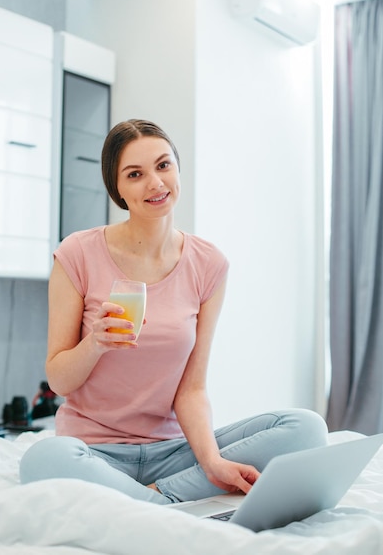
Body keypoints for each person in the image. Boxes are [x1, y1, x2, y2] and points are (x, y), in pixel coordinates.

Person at [20, 119, 328, 505]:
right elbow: (59, 380)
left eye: (163, 165)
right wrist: (95, 343)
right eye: (135, 174)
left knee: (305, 428)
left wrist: (211, 461)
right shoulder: (77, 254)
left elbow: (192, 388)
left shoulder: (208, 263)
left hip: (173, 454)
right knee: (43, 459)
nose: (155, 183)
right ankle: (168, 504)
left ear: (177, 169)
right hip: (93, 451)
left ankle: (153, 501)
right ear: (117, 188)